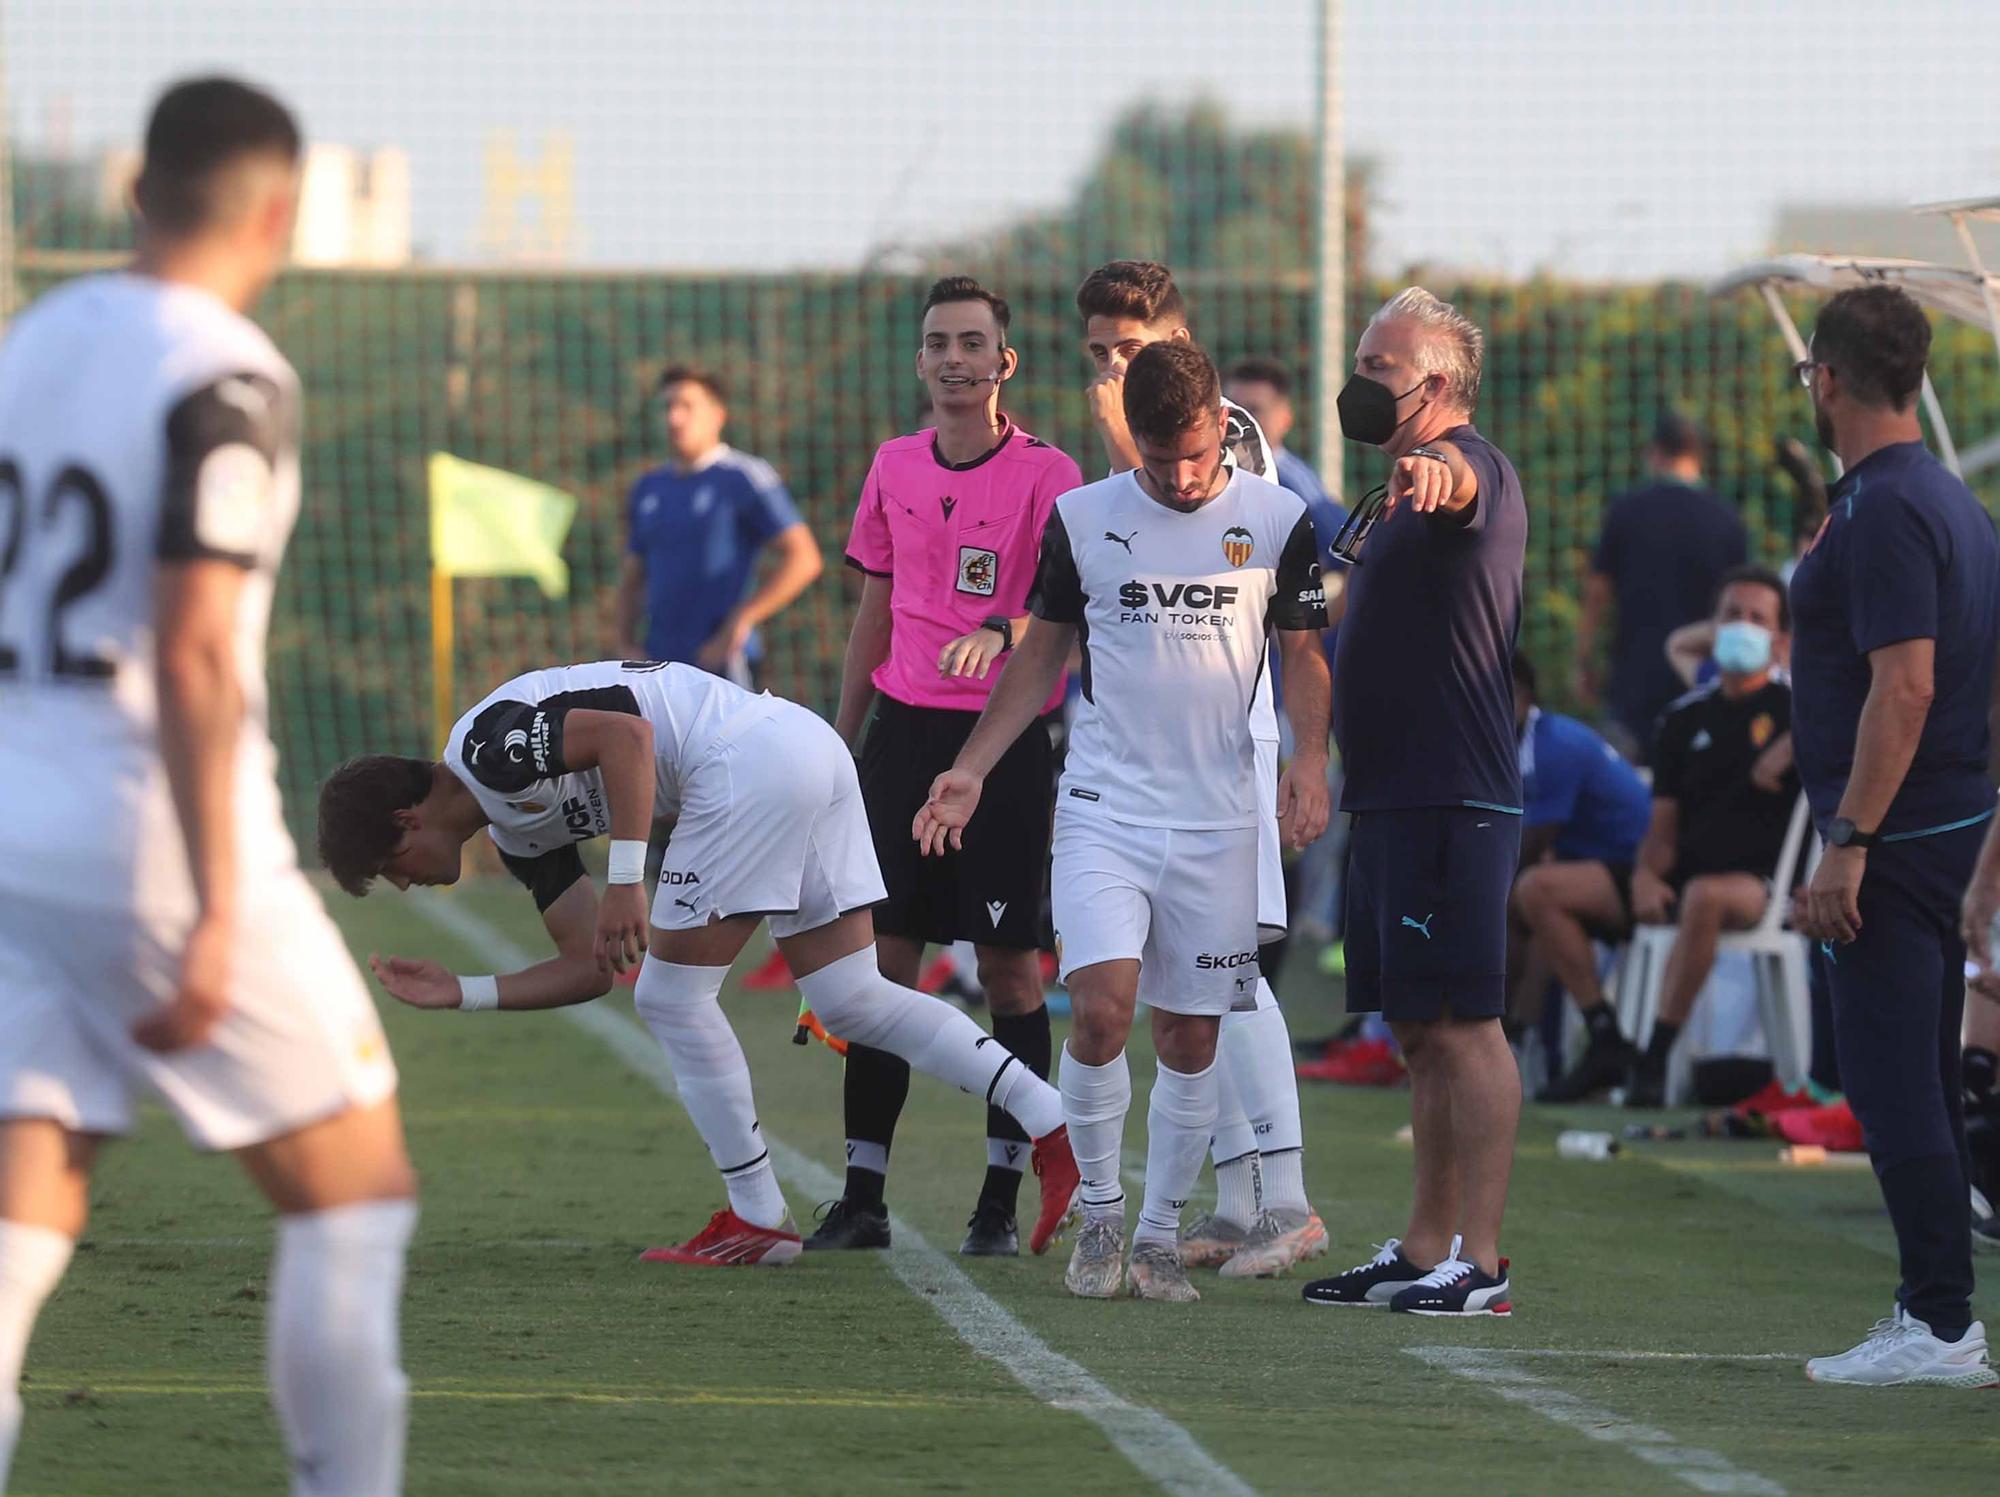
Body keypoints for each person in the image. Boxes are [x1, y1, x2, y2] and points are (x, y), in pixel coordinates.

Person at [0, 78, 417, 1494]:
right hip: (149, 839)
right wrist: (221, 906)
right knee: (355, 1202)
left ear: (135, 189)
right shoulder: (228, 373)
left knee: (25, 1203)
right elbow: (188, 648)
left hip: (13, 828)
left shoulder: (28, 344)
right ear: (285, 211)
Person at [316, 659, 1079, 1268]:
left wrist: (624, 881)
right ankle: (1050, 1121)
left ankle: (755, 1216)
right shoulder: (514, 830)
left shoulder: (485, 750)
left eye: (391, 864)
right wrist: (466, 992)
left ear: (404, 818)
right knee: (850, 998)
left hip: (749, 765)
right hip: (798, 749)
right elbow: (591, 967)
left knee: (673, 999)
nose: (403, 880)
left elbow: (629, 740)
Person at [916, 341, 1331, 1302]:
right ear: (1131, 439)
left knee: (1191, 1037)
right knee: (1101, 1011)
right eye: (1157, 457)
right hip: (1107, 807)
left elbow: (1305, 655)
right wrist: (971, 768)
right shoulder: (1084, 519)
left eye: (1192, 454)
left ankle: (1154, 1235)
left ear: (1221, 421)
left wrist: (1309, 759)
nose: (1180, 478)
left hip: (1222, 819)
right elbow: (1041, 655)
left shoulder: (1277, 520)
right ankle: (1101, 1214)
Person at [814, 276, 1081, 1258]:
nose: (956, 358)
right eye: (938, 344)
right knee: (878, 965)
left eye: (974, 341)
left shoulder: (1051, 477)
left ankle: (999, 1203)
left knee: (1007, 970)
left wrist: (1001, 626)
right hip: (900, 737)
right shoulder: (890, 466)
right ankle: (861, 1195)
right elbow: (874, 610)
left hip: (1003, 748)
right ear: (920, 362)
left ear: (1003, 362)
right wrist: (840, 745)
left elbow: (1065, 613)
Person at [1073, 263, 1328, 1278]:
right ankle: (1238, 1195)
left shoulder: (1233, 444)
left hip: (1232, 747)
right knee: (1191, 984)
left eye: (1129, 351)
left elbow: (1200, 545)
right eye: (1096, 353)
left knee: (1229, 980)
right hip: (1145, 764)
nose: (1111, 370)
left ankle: (1285, 1198)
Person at [1789, 284, 1999, 1388]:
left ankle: (1937, 1320)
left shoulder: (1882, 509)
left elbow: (1903, 689)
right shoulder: (1953, 501)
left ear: (1826, 378)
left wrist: (1850, 837)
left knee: (1892, 1079)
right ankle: (1936, 1314)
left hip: (1899, 829)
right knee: (1915, 1066)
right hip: (1943, 824)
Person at [1299, 288, 1524, 1318]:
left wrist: (1431, 472)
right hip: (1390, 797)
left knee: (1466, 1025)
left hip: (1451, 796)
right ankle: (1422, 1246)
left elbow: (1457, 479)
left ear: (1435, 385)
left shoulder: (1462, 466)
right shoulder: (1383, 502)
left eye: (1379, 367)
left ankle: (1477, 1260)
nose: (1359, 381)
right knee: (1419, 1031)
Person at [1530, 567, 1801, 1107]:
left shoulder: (1801, 713)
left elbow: (1859, 704)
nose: (1740, 628)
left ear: (1781, 640)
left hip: (1756, 889)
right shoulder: (1683, 717)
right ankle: (1607, 1037)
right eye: (1730, 615)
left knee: (1705, 896)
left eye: (1756, 619)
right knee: (1539, 888)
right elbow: (1663, 823)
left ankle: (1657, 1057)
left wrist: (1795, 740)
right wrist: (1647, 876)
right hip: (1678, 877)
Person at [614, 365, 821, 686]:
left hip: (723, 662)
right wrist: (624, 642)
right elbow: (633, 575)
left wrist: (742, 620)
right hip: (659, 664)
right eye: (667, 406)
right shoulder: (649, 487)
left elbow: (804, 558)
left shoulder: (742, 476)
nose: (674, 418)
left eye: (686, 406)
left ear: (717, 415)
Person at [1576, 411, 1747, 762]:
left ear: (1655, 452)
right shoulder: (1727, 520)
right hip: (1700, 677)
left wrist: (1584, 660)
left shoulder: (1626, 512)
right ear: (1699, 456)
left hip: (1633, 680)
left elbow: (1597, 594)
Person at [1505, 653, 1651, 1027]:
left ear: (1520, 697)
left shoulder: (1553, 747)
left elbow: (1531, 847)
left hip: (1641, 872)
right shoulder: (1527, 741)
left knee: (1510, 899)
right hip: (1596, 865)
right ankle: (1523, 1041)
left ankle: (1504, 1031)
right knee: (1520, 898)